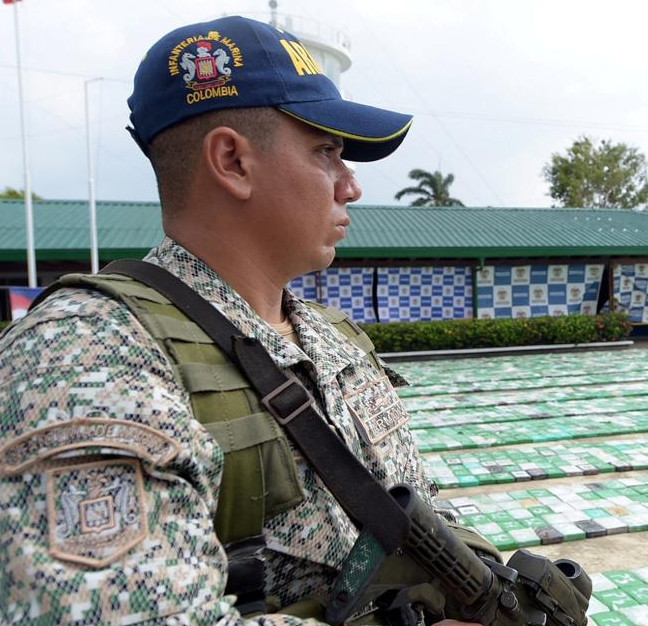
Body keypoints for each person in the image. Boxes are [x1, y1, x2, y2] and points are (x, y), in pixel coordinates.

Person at [0, 16, 480, 624]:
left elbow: (418, 512)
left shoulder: (334, 338)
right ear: (233, 161)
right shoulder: (84, 354)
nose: (351, 186)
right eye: (326, 151)